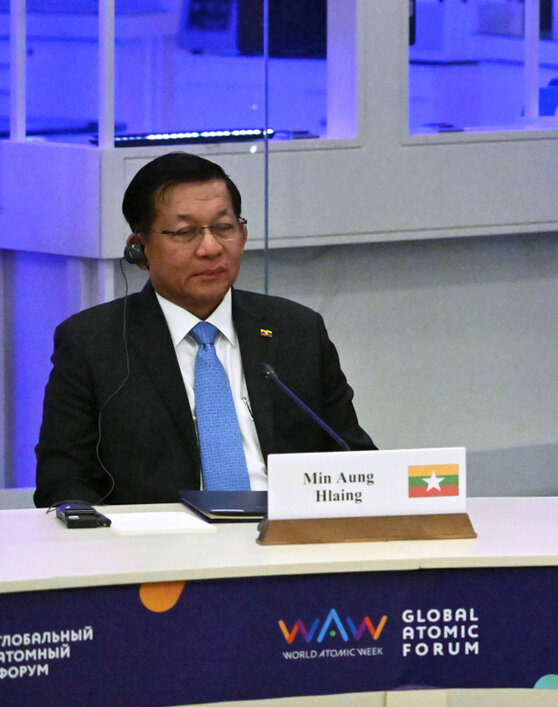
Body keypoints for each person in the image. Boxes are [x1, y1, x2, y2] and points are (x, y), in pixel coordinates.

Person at [34, 152, 374, 507]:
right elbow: (63, 482)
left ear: (242, 235)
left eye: (223, 228)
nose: (210, 249)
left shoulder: (296, 330)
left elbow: (354, 459)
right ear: (140, 248)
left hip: (286, 531)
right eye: (184, 232)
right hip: (161, 536)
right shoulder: (92, 343)